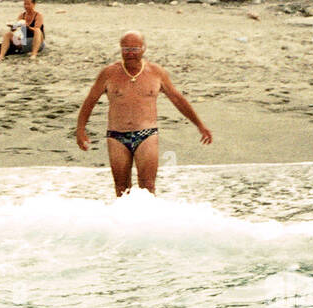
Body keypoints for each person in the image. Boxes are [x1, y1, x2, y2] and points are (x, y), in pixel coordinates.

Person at [75, 31, 212, 196]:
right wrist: (80, 129)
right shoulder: (109, 73)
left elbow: (178, 100)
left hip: (147, 134)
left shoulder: (156, 72)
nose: (130, 53)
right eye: (126, 49)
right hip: (117, 136)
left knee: (147, 187)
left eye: (134, 48)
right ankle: (124, 221)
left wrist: (200, 126)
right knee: (121, 188)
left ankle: (149, 221)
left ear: (143, 48)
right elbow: (90, 101)